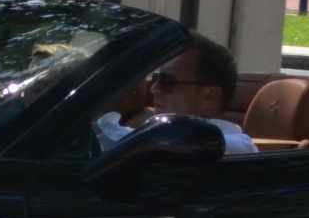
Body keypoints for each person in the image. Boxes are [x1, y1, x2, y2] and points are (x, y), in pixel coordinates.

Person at [96, 35, 257, 156]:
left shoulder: (232, 147)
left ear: (208, 96)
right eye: (157, 78)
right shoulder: (161, 134)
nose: (154, 89)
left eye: (167, 81)